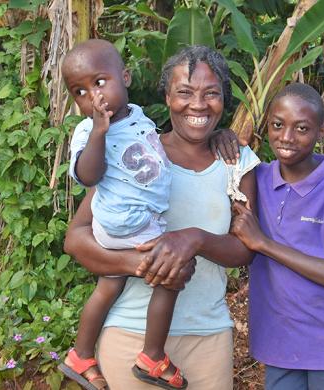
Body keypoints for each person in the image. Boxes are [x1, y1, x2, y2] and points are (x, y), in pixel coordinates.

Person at [63, 44, 258, 390]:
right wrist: (138, 264)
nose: (198, 104)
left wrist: (193, 239)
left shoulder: (235, 161)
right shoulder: (136, 156)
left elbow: (245, 250)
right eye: (184, 93)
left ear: (224, 100)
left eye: (211, 94)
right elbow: (76, 239)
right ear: (167, 97)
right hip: (129, 334)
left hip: (207, 336)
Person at [58, 38, 191, 390]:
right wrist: (99, 133)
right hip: (126, 221)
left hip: (133, 219)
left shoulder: (138, 116)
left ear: (125, 77)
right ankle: (152, 356)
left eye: (99, 82)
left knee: (107, 287)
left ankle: (81, 354)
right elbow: (88, 175)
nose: (94, 96)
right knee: (172, 274)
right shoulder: (89, 130)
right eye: (81, 91)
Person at [230, 83, 324, 389]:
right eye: (278, 125)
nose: (287, 137)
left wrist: (264, 243)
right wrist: (226, 137)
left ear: (322, 131)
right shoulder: (258, 178)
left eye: (301, 128)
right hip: (279, 344)